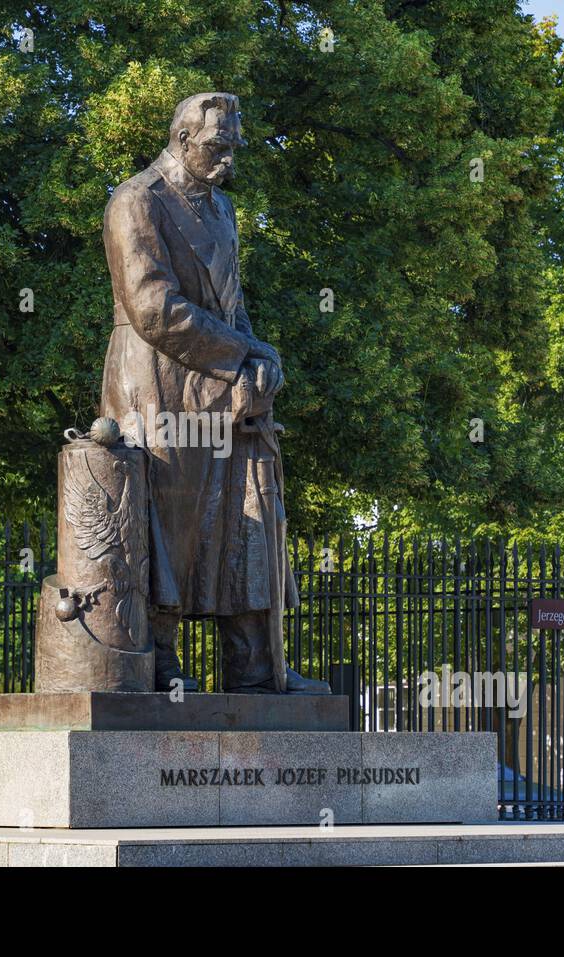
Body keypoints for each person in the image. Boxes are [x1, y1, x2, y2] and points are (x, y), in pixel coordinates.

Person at [99, 92, 328, 695]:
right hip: (157, 380)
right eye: (217, 147)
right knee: (166, 523)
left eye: (234, 148)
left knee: (246, 515)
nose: (229, 160)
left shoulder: (222, 208)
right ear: (182, 139)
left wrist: (259, 360)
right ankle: (157, 665)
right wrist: (239, 355)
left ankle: (255, 669)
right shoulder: (136, 200)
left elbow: (232, 302)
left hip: (223, 387)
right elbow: (152, 307)